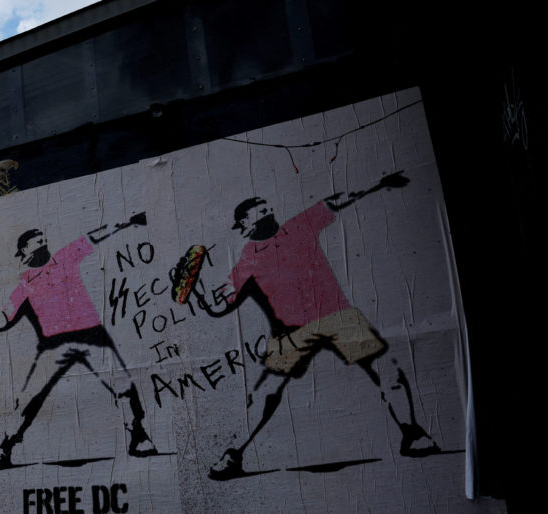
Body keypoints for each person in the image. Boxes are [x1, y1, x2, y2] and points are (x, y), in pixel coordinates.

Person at [184, 172, 439, 480]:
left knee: (386, 368)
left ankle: (413, 434)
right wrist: (194, 289)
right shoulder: (246, 263)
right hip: (290, 333)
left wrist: (378, 183)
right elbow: (218, 307)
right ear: (245, 224)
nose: (269, 211)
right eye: (260, 210)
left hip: (337, 317)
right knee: (266, 392)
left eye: (268, 207)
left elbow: (335, 201)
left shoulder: (298, 227)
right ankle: (233, 454)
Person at [0, 228, 157, 470]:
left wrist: (128, 222)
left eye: (44, 239)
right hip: (55, 345)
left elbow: (94, 236)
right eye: (37, 241)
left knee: (123, 385)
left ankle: (139, 435)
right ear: (24, 250)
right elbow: (1, 321)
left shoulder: (64, 258)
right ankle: (5, 447)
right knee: (29, 399)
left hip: (92, 336)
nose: (44, 243)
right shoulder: (23, 285)